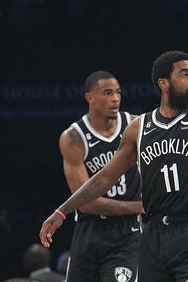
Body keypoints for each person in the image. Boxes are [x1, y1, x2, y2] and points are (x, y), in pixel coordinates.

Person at [39, 0, 188, 281]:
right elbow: (103, 179)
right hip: (152, 234)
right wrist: (62, 210)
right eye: (185, 74)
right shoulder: (139, 127)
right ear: (163, 84)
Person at [59, 71, 143, 282]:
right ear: (90, 98)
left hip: (126, 233)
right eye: (107, 93)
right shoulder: (73, 137)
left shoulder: (135, 126)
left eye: (118, 92)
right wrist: (141, 206)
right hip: (89, 231)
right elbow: (86, 203)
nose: (115, 98)